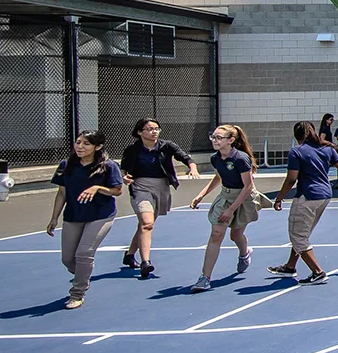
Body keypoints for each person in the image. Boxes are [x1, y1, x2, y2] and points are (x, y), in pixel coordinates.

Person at [269, 120, 338, 284]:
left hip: (307, 196)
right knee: (303, 233)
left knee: (298, 236)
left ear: (297, 135)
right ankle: (290, 266)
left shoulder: (296, 151)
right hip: (325, 195)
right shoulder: (326, 149)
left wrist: (279, 198)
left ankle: (318, 272)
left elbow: (292, 178)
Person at [46, 131, 124, 309]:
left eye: (86, 144)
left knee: (84, 253)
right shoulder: (67, 165)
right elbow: (62, 193)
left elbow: (117, 190)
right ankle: (83, 274)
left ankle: (77, 293)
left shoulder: (109, 166)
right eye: (78, 142)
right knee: (67, 258)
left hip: (101, 215)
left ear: (98, 147)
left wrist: (97, 188)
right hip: (74, 215)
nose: (80, 147)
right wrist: (54, 218)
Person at [120, 117, 199, 280]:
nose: (154, 131)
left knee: (145, 225)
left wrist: (192, 168)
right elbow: (123, 169)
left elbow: (186, 158)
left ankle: (130, 254)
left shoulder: (167, 146)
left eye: (156, 128)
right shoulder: (132, 150)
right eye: (149, 129)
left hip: (161, 186)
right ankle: (145, 262)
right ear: (140, 132)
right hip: (140, 186)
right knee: (147, 223)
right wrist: (124, 178)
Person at [189, 124, 261, 292]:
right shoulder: (215, 158)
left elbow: (248, 187)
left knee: (236, 235)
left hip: (243, 197)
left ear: (231, 140)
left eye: (219, 138)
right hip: (226, 196)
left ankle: (245, 253)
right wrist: (201, 195)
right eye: (213, 137)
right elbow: (219, 177)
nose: (215, 140)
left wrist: (232, 209)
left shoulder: (241, 159)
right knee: (216, 234)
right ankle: (205, 278)